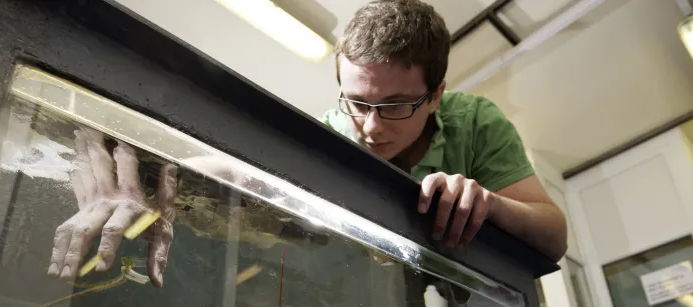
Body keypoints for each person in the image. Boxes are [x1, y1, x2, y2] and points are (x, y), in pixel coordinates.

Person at [48, 0, 569, 287]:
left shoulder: (475, 121)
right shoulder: (330, 135)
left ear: (436, 95)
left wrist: (488, 202)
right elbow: (235, 173)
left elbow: (553, 237)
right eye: (356, 102)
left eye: (394, 107)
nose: (370, 126)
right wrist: (142, 172)